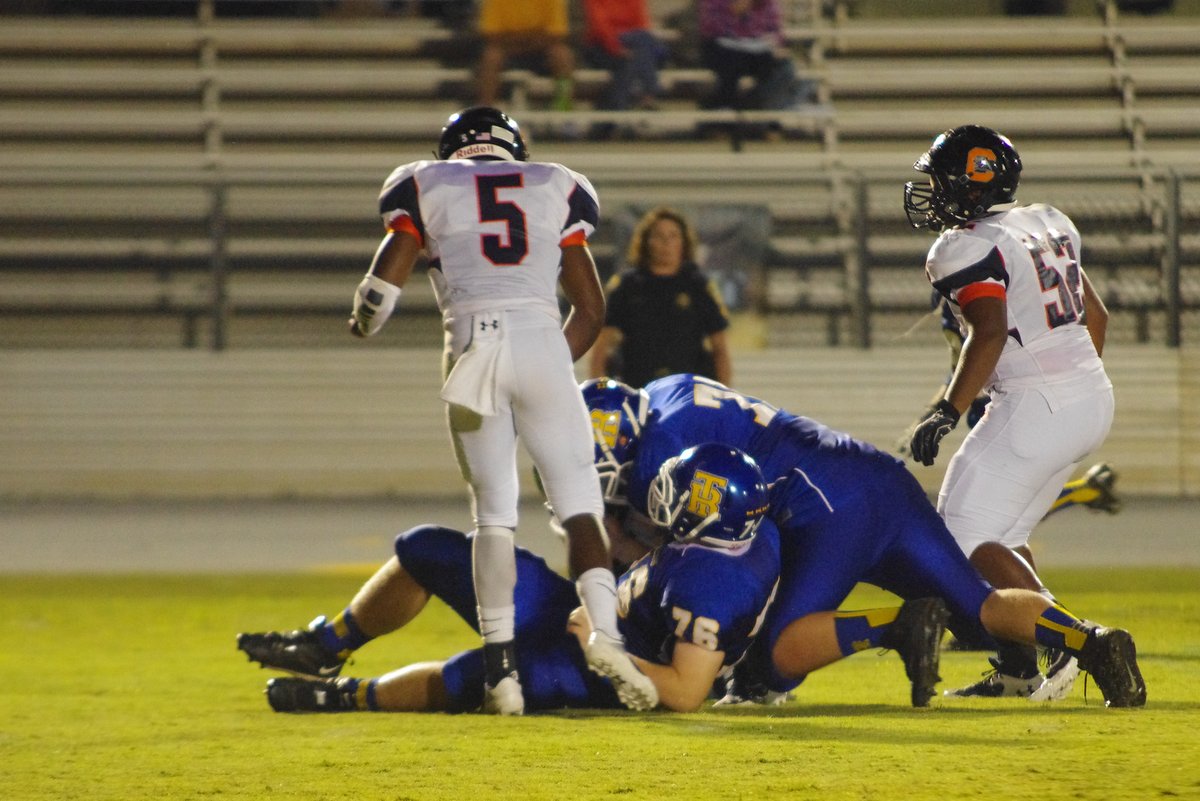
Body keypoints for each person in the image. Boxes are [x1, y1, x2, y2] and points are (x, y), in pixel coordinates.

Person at [582, 375, 1147, 708]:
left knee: (773, 660)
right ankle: (1093, 640)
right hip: (875, 472)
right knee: (980, 606)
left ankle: (898, 626)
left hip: (823, 506)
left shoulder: (656, 456)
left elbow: (720, 544)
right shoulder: (664, 389)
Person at [346, 106, 654, 714]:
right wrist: (546, 367)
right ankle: (606, 636)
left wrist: (361, 322)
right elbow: (591, 310)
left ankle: (502, 676)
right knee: (580, 505)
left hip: (472, 346)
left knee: (493, 516)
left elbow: (380, 291)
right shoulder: (555, 182)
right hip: (542, 342)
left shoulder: (423, 182)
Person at [236, 443, 781, 714]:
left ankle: (346, 697)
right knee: (430, 548)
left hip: (594, 666)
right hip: (584, 611)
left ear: (710, 510)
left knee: (475, 677)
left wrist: (603, 651)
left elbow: (686, 691)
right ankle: (326, 646)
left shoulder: (715, 586)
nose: (665, 493)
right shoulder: (737, 539)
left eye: (682, 490)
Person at [903, 125, 1119, 699]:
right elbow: (1096, 317)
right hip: (1090, 394)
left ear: (972, 184)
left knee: (959, 536)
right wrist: (1070, 387)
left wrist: (946, 410)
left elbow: (989, 331)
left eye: (944, 179)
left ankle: (1073, 643)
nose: (935, 191)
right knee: (1004, 533)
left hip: (1038, 401)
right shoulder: (1047, 222)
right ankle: (1020, 669)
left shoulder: (963, 246)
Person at [898, 294, 1122, 517]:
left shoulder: (971, 296)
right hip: (1010, 403)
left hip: (1009, 404)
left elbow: (980, 355)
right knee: (1001, 507)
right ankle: (1084, 491)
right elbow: (961, 368)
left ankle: (1083, 491)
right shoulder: (986, 292)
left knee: (991, 509)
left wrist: (941, 412)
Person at [588, 207, 733, 388]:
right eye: (659, 236)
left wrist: (723, 393)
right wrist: (600, 392)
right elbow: (602, 347)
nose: (666, 243)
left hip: (687, 392)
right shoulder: (626, 286)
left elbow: (720, 347)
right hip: (637, 389)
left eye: (673, 236)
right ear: (646, 241)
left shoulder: (699, 286)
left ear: (684, 242)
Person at [696, 0, 816, 112]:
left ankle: (750, 104)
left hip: (757, 51)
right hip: (723, 49)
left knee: (786, 69)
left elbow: (775, 29)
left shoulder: (767, 3)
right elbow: (710, 28)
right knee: (729, 70)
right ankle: (725, 110)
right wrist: (735, 12)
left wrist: (775, 43)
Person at [475, 0, 575, 110]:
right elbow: (491, 34)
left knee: (562, 55)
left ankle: (563, 106)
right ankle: (485, 108)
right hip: (508, 51)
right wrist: (528, 38)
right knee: (491, 56)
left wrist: (520, 39)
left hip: (541, 51)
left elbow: (557, 34)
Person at [581, 0, 666, 111]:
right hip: (600, 47)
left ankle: (618, 109)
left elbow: (641, 25)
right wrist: (617, 49)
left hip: (632, 45)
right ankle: (648, 93)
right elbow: (600, 27)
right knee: (643, 47)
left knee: (636, 53)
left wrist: (629, 50)